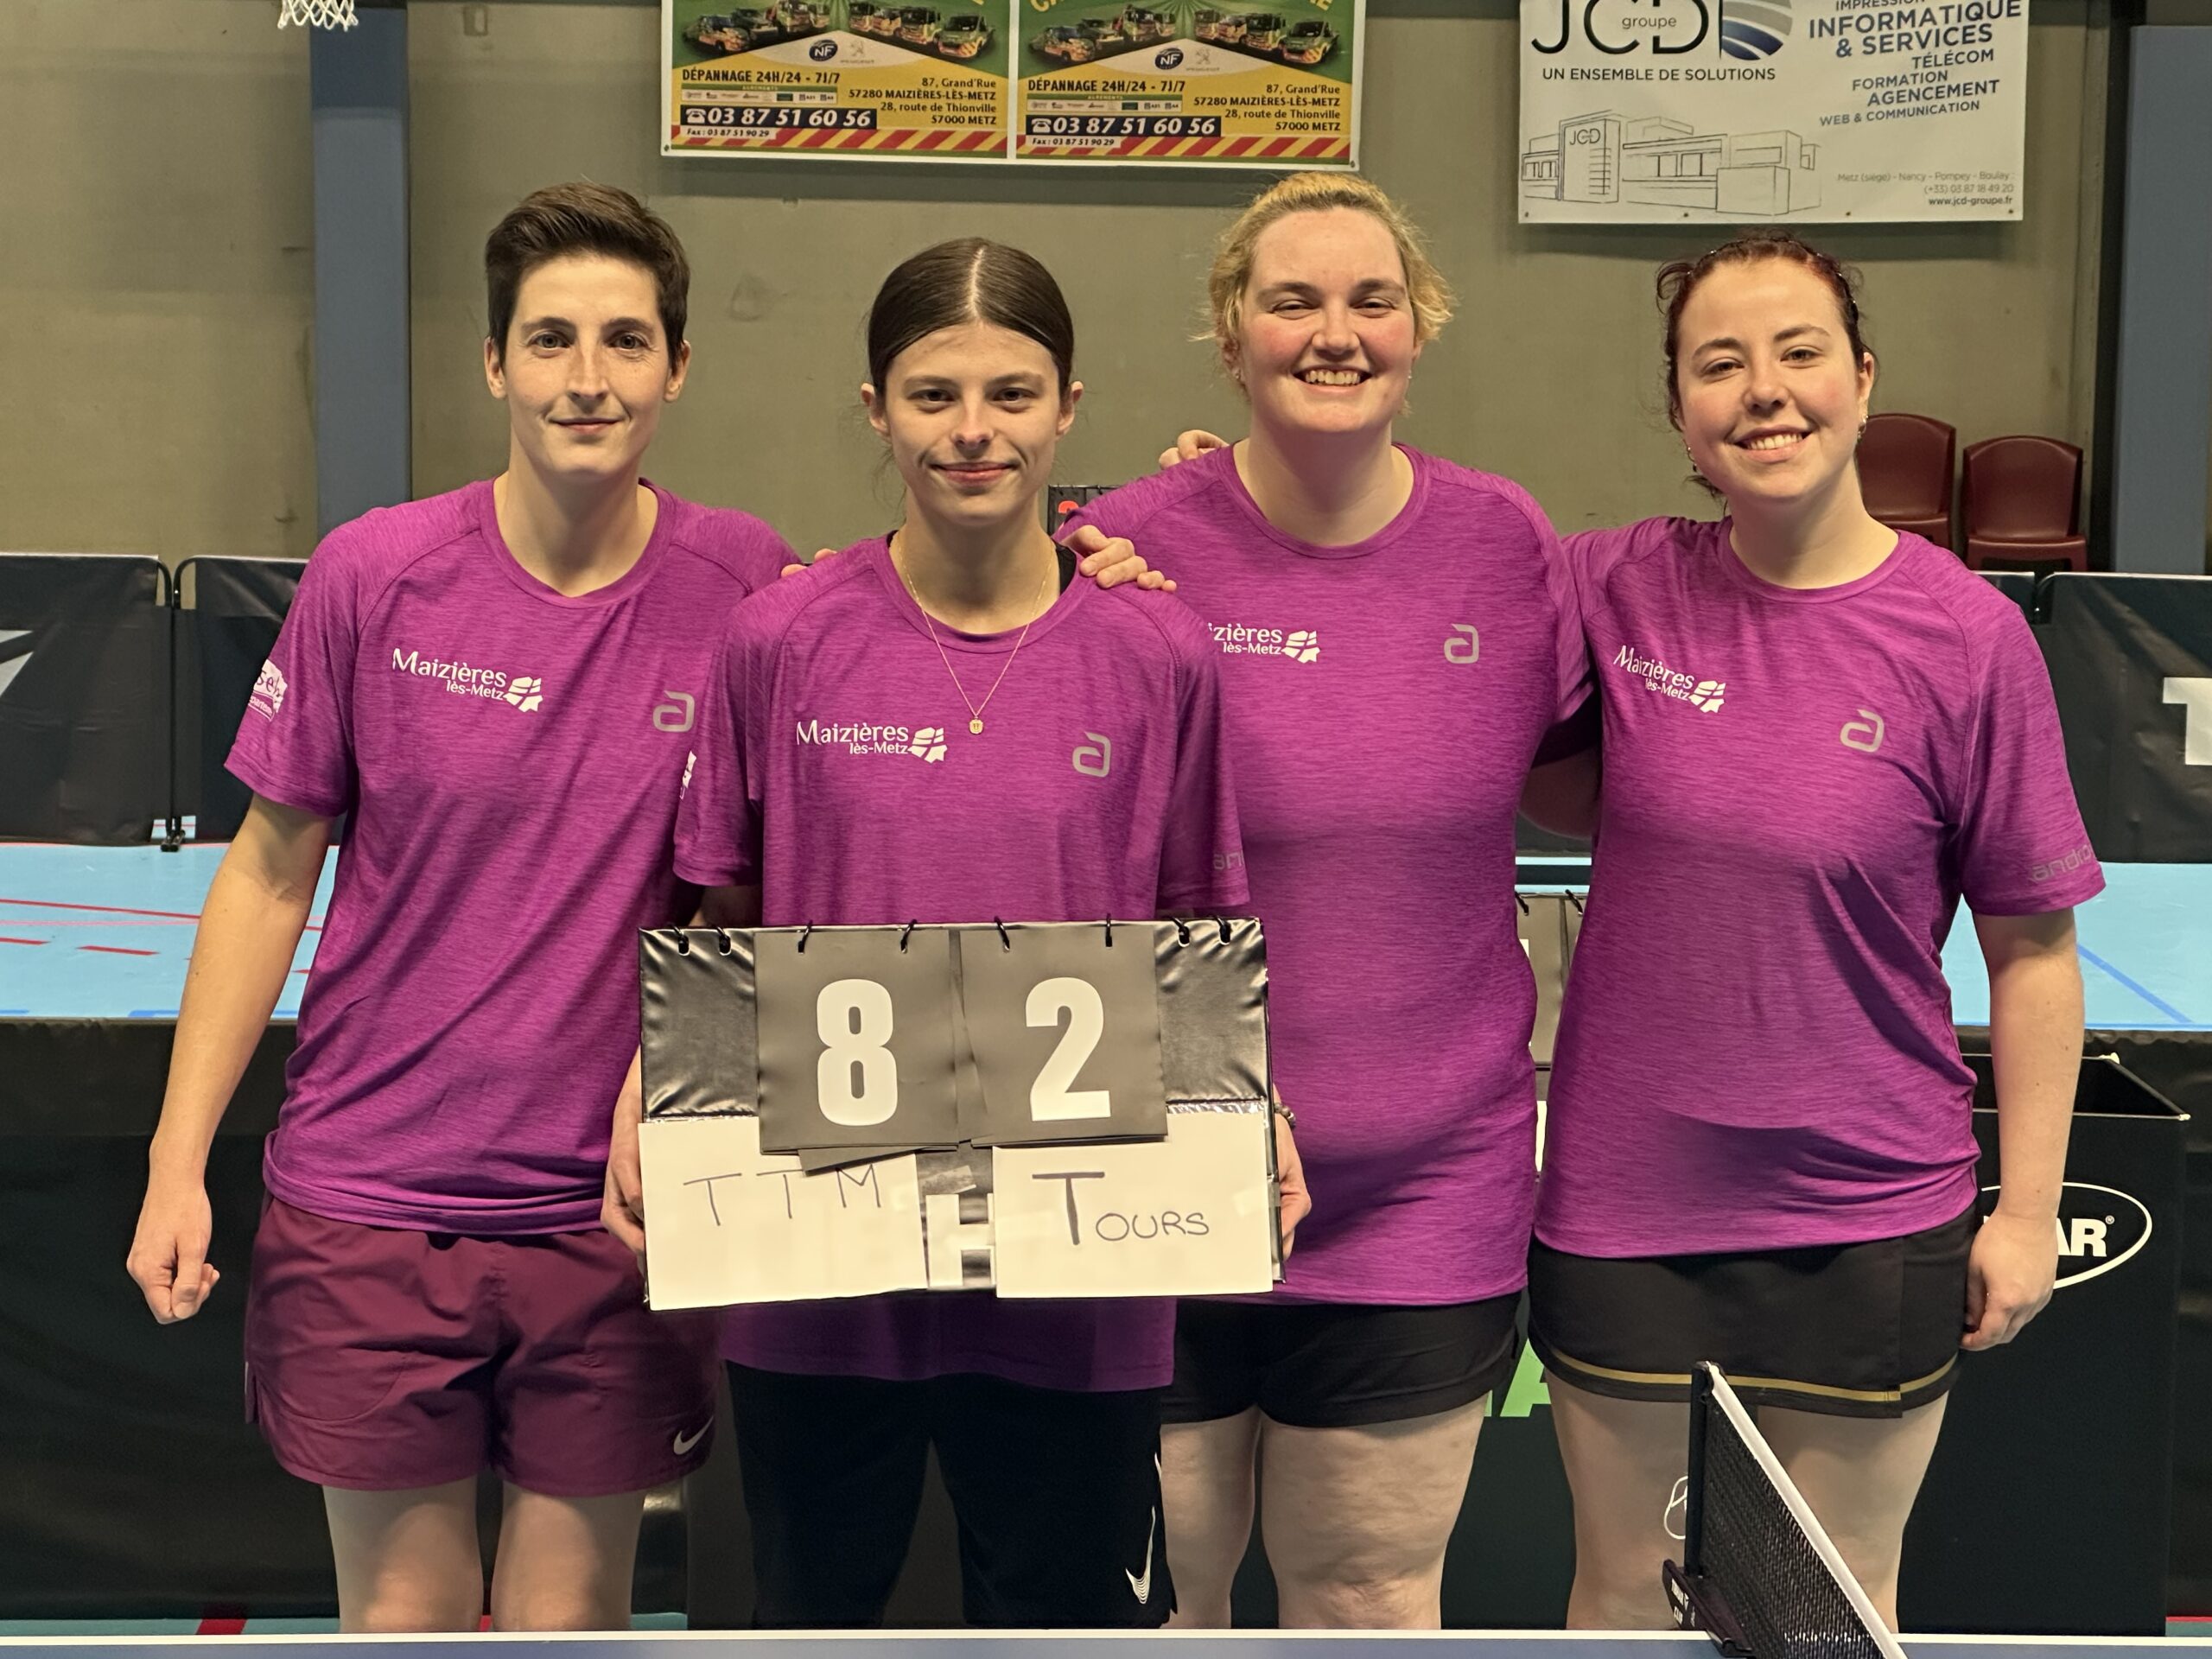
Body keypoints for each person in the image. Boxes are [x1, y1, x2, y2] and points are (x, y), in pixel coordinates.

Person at [124, 182, 794, 1632]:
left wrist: (1113, 560)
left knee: (572, 1625)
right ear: (495, 363)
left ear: (678, 367)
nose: (587, 377)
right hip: (369, 1201)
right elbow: (267, 872)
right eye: (550, 340)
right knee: (403, 1626)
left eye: (626, 341)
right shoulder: (376, 574)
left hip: (610, 1220)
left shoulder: (749, 586)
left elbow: (745, 893)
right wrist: (177, 1161)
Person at [613, 236, 1304, 1630]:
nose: (973, 430)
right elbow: (725, 914)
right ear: (876, 410)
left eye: (1011, 393)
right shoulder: (779, 639)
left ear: (1068, 408)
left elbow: (1194, 937)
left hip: (1079, 1271)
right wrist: (648, 1086)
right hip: (818, 1264)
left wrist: (1260, 1106)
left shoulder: (1160, 653)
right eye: (933, 395)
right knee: (809, 1627)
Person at [1523, 231, 2099, 1629]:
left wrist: (2028, 1211)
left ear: (1863, 377)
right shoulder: (1616, 585)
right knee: (1626, 1592)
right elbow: (1395, 588)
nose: (1765, 391)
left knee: (1828, 1611)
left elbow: (2032, 952)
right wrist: (1208, 517)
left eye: (1799, 353)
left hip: (1869, 1208)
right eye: (1720, 364)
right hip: (1629, 1205)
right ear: (1680, 410)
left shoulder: (1968, 640)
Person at [1062, 173, 1592, 1630]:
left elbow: (1594, 781)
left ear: (1421, 327)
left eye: (1373, 300)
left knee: (1367, 1597)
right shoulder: (1119, 547)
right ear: (1231, 335)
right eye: (1293, 301)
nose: (1336, 333)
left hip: (1422, 1189)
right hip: (1157, 1167)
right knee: (1155, 1615)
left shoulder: (1506, 541)